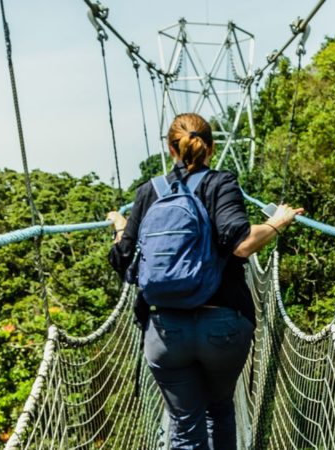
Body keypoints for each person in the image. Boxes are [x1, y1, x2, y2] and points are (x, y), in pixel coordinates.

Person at [107, 112, 303, 449]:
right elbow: (241, 243)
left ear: (170, 150)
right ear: (210, 148)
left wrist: (121, 225)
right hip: (222, 327)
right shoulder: (220, 183)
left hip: (165, 330)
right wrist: (277, 222)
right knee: (219, 411)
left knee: (184, 426)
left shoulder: (148, 192)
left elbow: (122, 259)